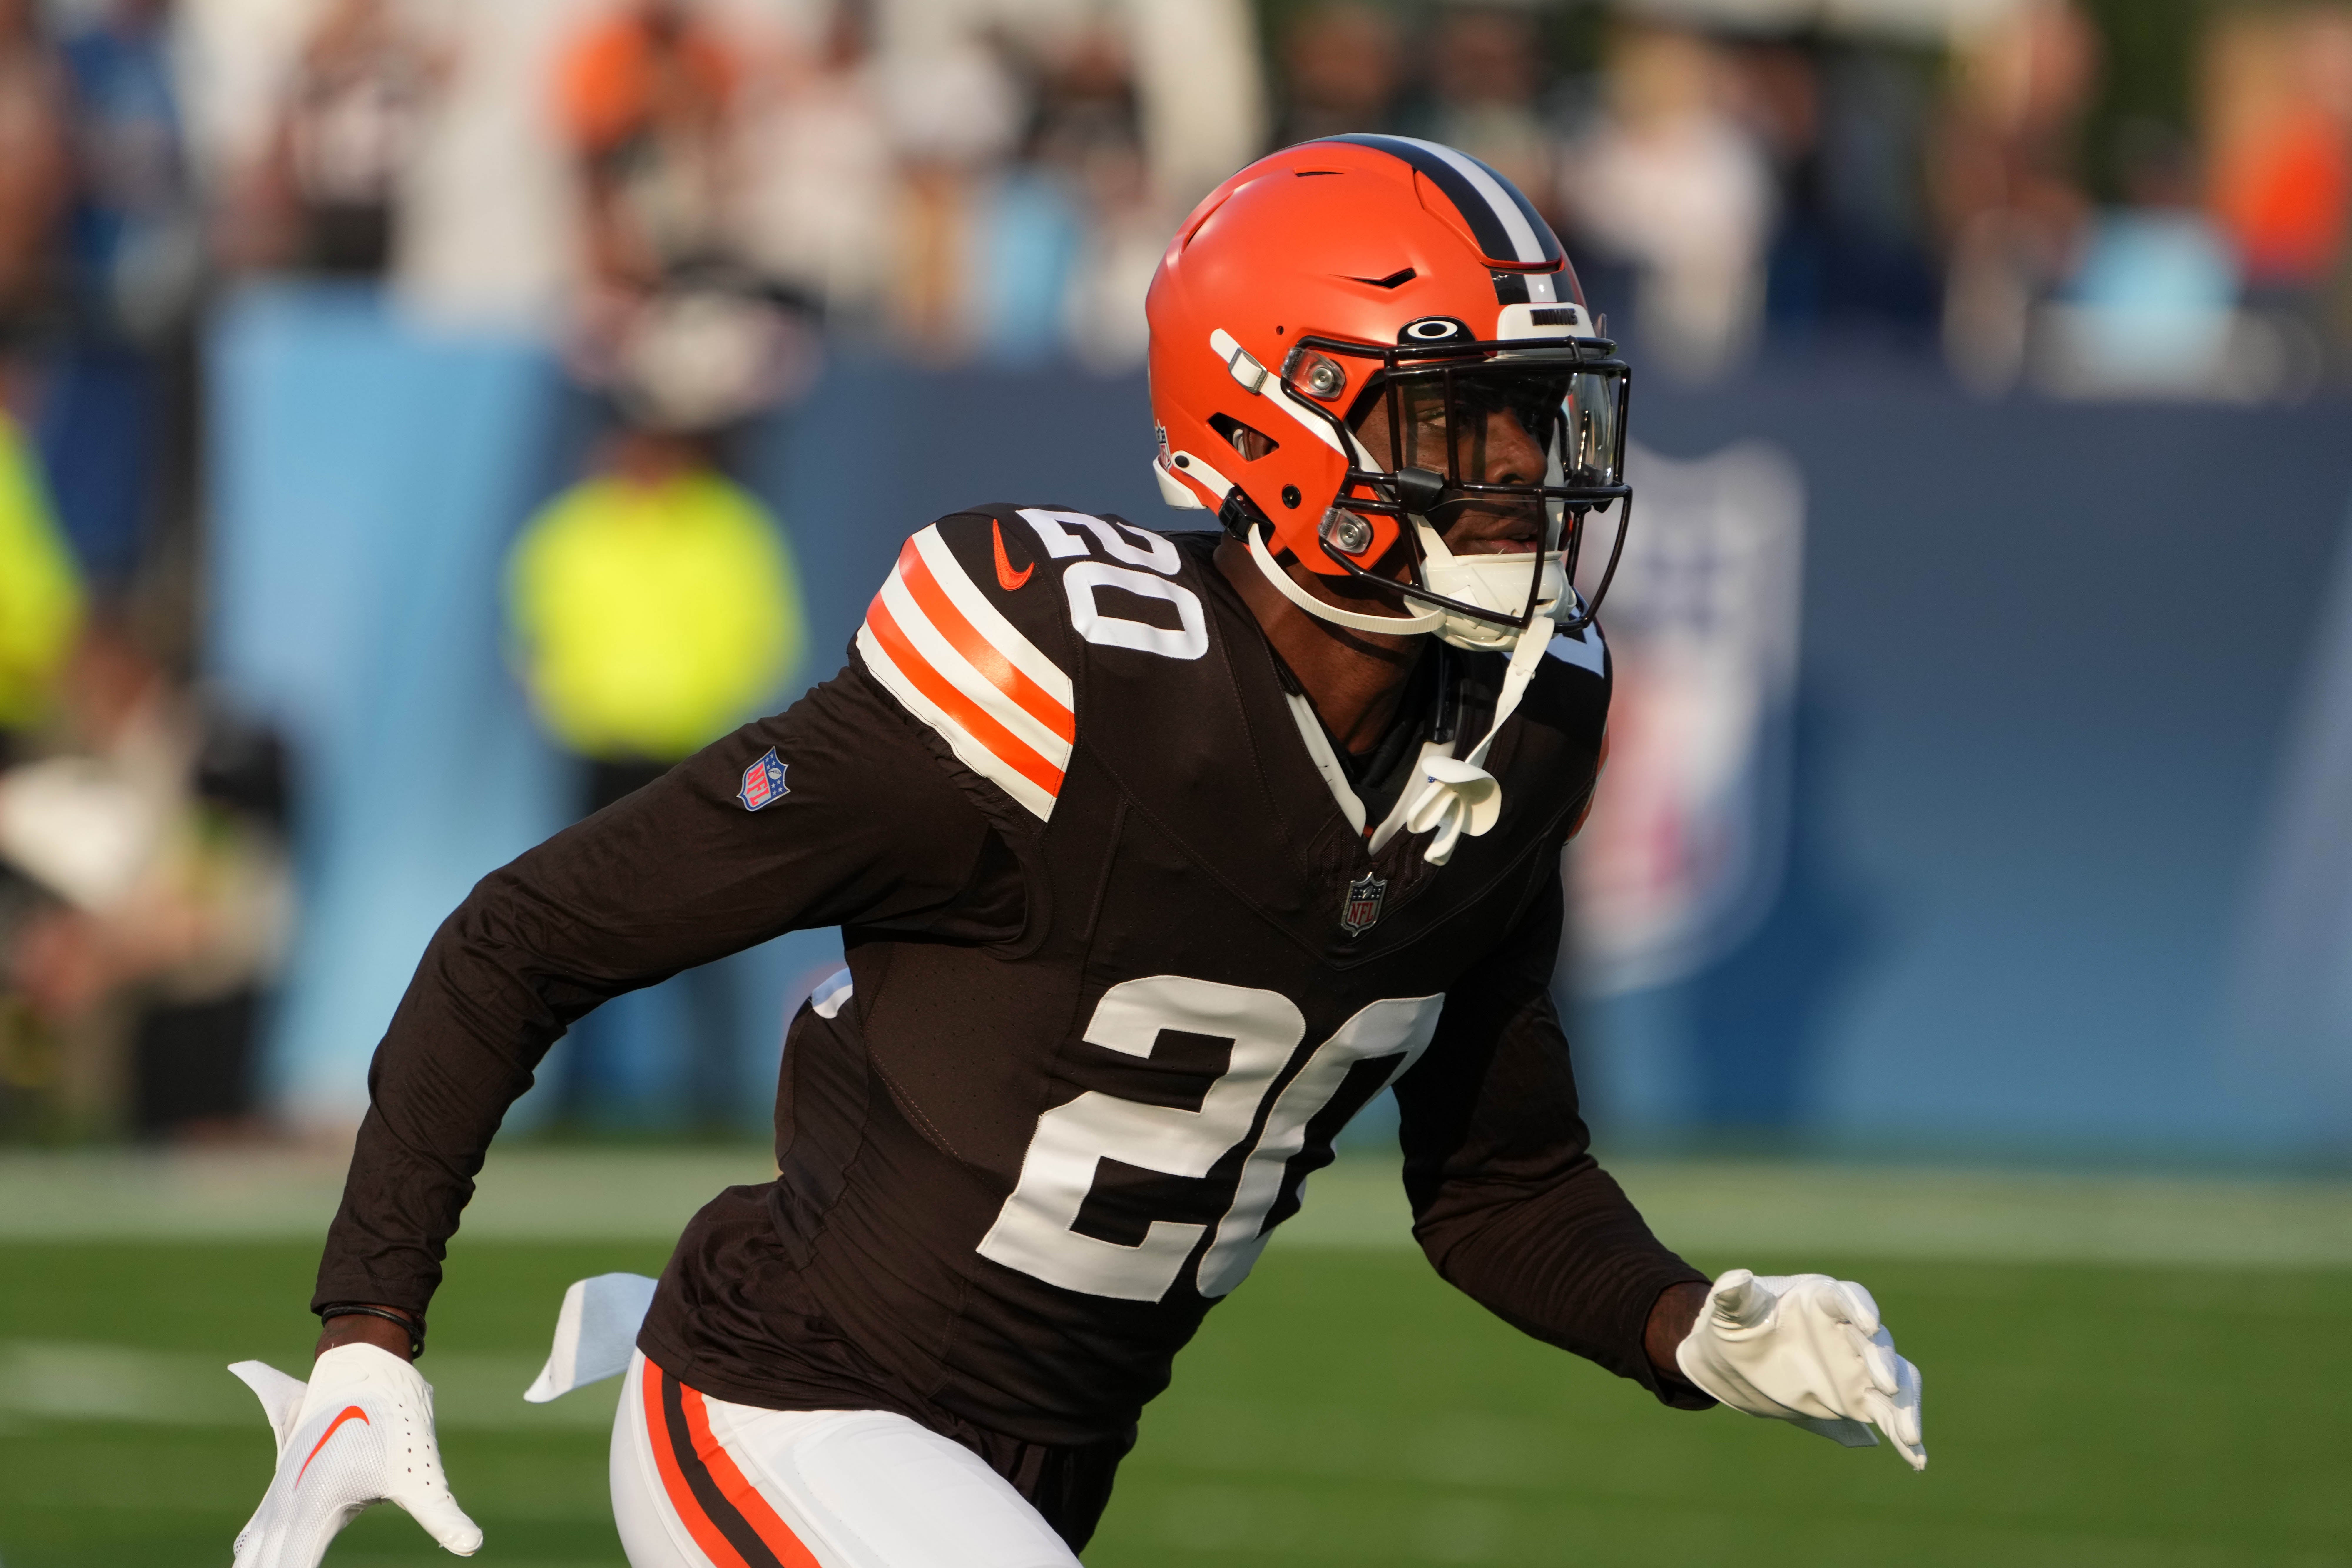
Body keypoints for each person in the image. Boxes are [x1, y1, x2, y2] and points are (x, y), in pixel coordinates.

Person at [228, 136, 1926, 1568]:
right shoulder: (1061, 687)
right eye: (1459, 420)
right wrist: (367, 1328)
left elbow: (1496, 1179)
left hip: (1035, 1467)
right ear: (1274, 421)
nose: (1518, 478)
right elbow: (529, 933)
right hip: (788, 1396)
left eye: (1531, 419)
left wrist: (1689, 1329)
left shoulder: (1516, 723)